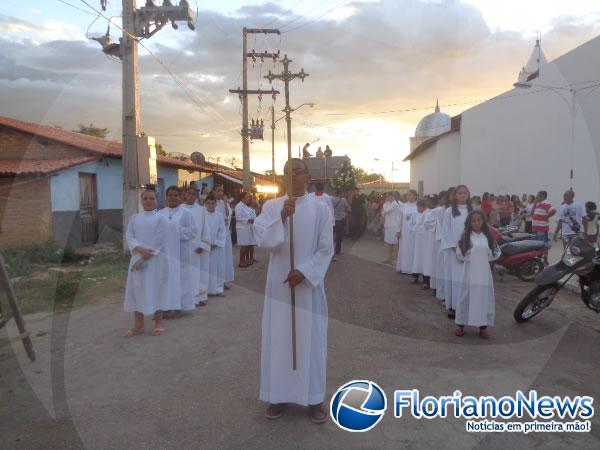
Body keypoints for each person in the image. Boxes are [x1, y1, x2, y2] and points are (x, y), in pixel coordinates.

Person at [253, 158, 333, 424]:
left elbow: (325, 248)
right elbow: (264, 240)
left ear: (307, 176)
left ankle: (314, 398)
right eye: (288, 172)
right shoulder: (272, 206)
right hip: (279, 284)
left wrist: (306, 272)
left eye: (298, 171)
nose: (293, 176)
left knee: (310, 340)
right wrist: (281, 217)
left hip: (307, 286)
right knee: (279, 338)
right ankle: (278, 394)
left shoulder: (321, 208)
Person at [123, 189, 170, 337]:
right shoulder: (135, 218)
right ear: (141, 201)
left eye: (151, 198)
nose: (148, 201)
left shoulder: (161, 219)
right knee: (137, 289)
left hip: (154, 260)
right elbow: (129, 236)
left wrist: (144, 256)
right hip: (137, 258)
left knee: (156, 288)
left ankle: (158, 323)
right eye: (145, 199)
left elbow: (159, 240)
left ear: (157, 200)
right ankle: (139, 324)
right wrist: (139, 249)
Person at [455, 210, 501, 339]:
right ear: (469, 222)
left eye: (479, 220)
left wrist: (486, 257)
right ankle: (460, 325)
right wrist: (472, 256)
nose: (476, 223)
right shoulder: (465, 236)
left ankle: (482, 327)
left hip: (483, 273)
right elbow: (459, 253)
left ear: (483, 222)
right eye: (473, 220)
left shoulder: (488, 236)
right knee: (466, 296)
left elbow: (496, 251)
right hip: (469, 272)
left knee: (483, 298)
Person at [159, 186, 197, 317]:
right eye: (170, 195)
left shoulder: (186, 213)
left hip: (181, 252)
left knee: (180, 278)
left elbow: (193, 231)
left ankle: (178, 306)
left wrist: (175, 231)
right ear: (166, 197)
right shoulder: (161, 213)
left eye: (176, 195)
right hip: (165, 252)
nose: (173, 198)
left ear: (181, 197)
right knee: (166, 278)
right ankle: (166, 306)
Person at [442, 185, 472, 319]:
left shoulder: (473, 211)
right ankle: (453, 307)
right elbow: (446, 230)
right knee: (454, 278)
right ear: (455, 196)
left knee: (467, 279)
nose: (463, 195)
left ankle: (466, 306)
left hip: (470, 250)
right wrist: (455, 247)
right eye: (460, 193)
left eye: (465, 193)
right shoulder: (449, 211)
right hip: (453, 251)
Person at [182, 187, 212, 306]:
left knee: (200, 270)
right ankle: (186, 297)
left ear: (196, 196)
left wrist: (203, 244)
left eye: (193, 194)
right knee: (185, 273)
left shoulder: (201, 210)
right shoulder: (180, 209)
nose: (191, 196)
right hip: (184, 246)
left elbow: (206, 228)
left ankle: (201, 295)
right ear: (185, 195)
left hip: (197, 247)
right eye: (188, 193)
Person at [205, 194, 227, 296]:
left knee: (218, 268)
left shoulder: (219, 216)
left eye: (212, 203)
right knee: (205, 268)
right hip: (205, 246)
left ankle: (218, 289)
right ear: (205, 204)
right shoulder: (202, 215)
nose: (210, 205)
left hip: (216, 247)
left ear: (216, 204)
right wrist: (204, 244)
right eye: (208, 203)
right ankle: (205, 290)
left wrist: (216, 243)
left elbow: (222, 231)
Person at [214, 185, 235, 287]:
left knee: (225, 256)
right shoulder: (211, 203)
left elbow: (228, 215)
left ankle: (224, 280)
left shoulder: (223, 203)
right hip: (216, 233)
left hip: (225, 232)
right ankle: (216, 281)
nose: (220, 193)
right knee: (217, 257)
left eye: (222, 191)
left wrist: (226, 203)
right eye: (218, 191)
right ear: (214, 192)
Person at [532, 190, 556, 265]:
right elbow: (532, 213)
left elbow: (553, 210)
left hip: (541, 229)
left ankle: (544, 258)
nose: (536, 197)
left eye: (538, 195)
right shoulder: (537, 204)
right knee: (537, 245)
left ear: (542, 196)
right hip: (535, 229)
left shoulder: (546, 203)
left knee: (543, 245)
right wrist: (534, 204)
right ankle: (539, 259)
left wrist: (547, 216)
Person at [396, 190, 418, 274]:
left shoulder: (418, 206)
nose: (409, 197)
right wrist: (398, 230)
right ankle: (404, 267)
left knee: (413, 249)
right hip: (404, 232)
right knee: (404, 249)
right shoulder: (403, 206)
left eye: (411, 195)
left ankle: (413, 269)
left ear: (415, 196)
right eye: (408, 195)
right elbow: (399, 218)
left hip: (414, 233)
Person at [431, 190, 448, 300]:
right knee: (439, 264)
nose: (446, 200)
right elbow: (429, 222)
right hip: (440, 240)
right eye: (444, 198)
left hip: (449, 241)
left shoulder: (452, 210)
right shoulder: (437, 210)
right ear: (440, 199)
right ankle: (437, 287)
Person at [235, 191, 256, 268]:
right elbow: (238, 217)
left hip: (247, 227)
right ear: (243, 198)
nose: (249, 199)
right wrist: (248, 220)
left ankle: (245, 260)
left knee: (247, 245)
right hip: (242, 228)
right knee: (243, 245)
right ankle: (241, 261)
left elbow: (251, 215)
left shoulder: (246, 206)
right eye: (247, 197)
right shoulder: (239, 206)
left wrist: (251, 220)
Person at [422, 195, 437, 290]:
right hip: (426, 239)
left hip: (434, 239)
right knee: (426, 260)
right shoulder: (425, 212)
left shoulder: (437, 211)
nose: (427, 203)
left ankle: (433, 283)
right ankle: (426, 280)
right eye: (426, 201)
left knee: (433, 261)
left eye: (429, 201)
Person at [382, 192, 401, 264]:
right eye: (387, 197)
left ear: (392, 196)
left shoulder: (395, 204)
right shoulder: (387, 204)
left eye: (388, 196)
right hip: (388, 225)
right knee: (389, 243)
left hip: (394, 226)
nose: (387, 198)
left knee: (395, 243)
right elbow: (383, 211)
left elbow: (386, 211)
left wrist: (384, 210)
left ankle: (396, 259)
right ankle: (389, 259)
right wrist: (384, 209)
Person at [411, 199, 427, 285]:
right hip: (417, 241)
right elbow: (414, 225)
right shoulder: (417, 215)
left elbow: (423, 227)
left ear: (423, 207)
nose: (417, 208)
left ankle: (425, 280)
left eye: (419, 207)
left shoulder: (426, 214)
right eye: (417, 207)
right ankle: (415, 276)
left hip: (423, 242)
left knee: (423, 261)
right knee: (416, 260)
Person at [331, 189, 350, 256]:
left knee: (332, 236)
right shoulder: (343, 200)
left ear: (335, 193)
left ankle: (331, 251)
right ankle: (338, 251)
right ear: (341, 193)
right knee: (339, 236)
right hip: (340, 220)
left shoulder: (331, 199)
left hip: (332, 220)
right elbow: (347, 208)